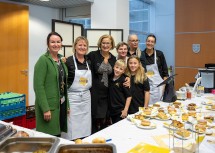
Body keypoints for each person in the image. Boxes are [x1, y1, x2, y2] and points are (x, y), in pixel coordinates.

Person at [33, 32, 69, 136]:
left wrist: (67, 104)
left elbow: (64, 84)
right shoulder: (43, 60)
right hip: (49, 106)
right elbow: (38, 87)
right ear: (48, 44)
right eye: (52, 42)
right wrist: (45, 109)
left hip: (61, 104)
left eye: (58, 42)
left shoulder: (61, 60)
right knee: (48, 137)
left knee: (58, 135)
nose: (56, 44)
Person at [61, 36, 92, 140]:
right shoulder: (68, 61)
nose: (82, 47)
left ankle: (84, 141)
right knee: (72, 123)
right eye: (80, 45)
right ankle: (71, 143)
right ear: (75, 46)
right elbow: (63, 81)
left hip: (86, 97)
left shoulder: (89, 61)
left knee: (85, 121)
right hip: (72, 97)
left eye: (84, 45)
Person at [87, 34, 117, 133]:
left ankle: (103, 137)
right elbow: (80, 59)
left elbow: (117, 73)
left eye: (108, 43)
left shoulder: (113, 59)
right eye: (103, 43)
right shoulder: (93, 55)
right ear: (100, 43)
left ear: (111, 44)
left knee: (105, 118)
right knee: (94, 118)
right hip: (94, 93)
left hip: (107, 93)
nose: (105, 45)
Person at [140, 34, 169, 105]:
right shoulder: (141, 54)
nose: (150, 43)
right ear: (145, 42)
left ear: (154, 43)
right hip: (147, 87)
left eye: (152, 42)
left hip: (159, 87)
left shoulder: (159, 54)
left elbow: (165, 73)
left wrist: (163, 88)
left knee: (159, 107)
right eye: (148, 41)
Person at [109, 59, 132, 124]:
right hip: (112, 110)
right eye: (116, 67)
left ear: (123, 71)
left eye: (121, 69)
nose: (118, 70)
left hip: (120, 110)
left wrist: (125, 110)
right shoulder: (110, 78)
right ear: (113, 67)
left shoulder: (124, 81)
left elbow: (129, 96)